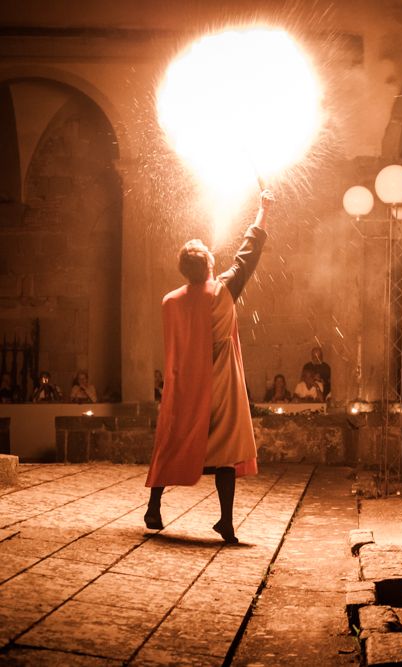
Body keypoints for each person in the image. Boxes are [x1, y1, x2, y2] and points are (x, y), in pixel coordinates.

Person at [144, 189, 274, 545]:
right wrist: (263, 209)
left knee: (170, 443)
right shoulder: (224, 290)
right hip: (220, 387)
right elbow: (249, 254)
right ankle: (226, 523)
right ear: (211, 266)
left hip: (185, 389)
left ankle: (154, 508)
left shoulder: (169, 302)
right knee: (226, 454)